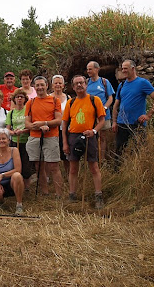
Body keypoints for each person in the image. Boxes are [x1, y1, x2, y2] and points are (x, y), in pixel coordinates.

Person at [62, 75, 106, 209]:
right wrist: (65, 142)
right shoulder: (71, 102)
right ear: (73, 87)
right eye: (76, 84)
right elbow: (64, 124)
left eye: (81, 83)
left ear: (86, 85)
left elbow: (102, 120)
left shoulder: (95, 100)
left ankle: (98, 196)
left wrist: (94, 131)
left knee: (93, 166)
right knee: (73, 167)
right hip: (73, 137)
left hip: (89, 136)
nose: (79, 85)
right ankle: (72, 195)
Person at [112, 60, 154, 158]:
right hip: (122, 123)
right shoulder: (121, 85)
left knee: (140, 150)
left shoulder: (142, 83)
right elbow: (115, 105)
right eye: (122, 68)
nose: (123, 70)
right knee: (119, 151)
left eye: (125, 68)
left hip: (137, 123)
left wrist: (148, 115)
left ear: (133, 68)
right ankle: (117, 172)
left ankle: (140, 171)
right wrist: (114, 121)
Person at [25, 76, 63, 197]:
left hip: (51, 136)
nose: (40, 87)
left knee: (53, 166)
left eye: (42, 85)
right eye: (37, 85)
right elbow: (27, 123)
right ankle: (45, 193)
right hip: (35, 137)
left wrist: (45, 124)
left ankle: (59, 194)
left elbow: (58, 121)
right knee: (39, 166)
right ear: (34, 87)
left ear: (47, 86)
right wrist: (37, 127)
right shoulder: (31, 102)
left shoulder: (54, 100)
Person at [0, 129, 25, 215]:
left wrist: (2, 175)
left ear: (9, 140)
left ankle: (19, 204)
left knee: (17, 175)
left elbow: (18, 169)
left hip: (11, 182)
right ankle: (0, 201)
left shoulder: (14, 150)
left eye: (4, 138)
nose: (1, 141)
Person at [86, 61, 115, 162]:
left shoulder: (104, 82)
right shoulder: (86, 82)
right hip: (90, 116)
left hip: (104, 116)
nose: (88, 71)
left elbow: (111, 98)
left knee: (103, 137)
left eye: (90, 69)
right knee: (91, 137)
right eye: (87, 69)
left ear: (97, 69)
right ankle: (92, 158)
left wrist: (104, 108)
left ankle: (101, 159)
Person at [6, 89, 32, 190]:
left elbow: (31, 126)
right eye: (17, 97)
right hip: (14, 141)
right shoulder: (11, 113)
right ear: (14, 99)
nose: (19, 98)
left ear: (25, 99)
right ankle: (16, 185)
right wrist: (13, 133)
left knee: (26, 165)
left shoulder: (28, 110)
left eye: (22, 97)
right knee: (15, 164)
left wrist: (23, 131)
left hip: (26, 141)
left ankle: (26, 187)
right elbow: (8, 129)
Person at [50, 75, 72, 174]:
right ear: (52, 85)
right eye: (56, 83)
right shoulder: (48, 98)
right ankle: (52, 177)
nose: (58, 85)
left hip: (66, 129)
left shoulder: (68, 98)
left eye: (60, 83)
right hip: (52, 130)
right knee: (53, 155)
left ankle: (68, 177)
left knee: (66, 155)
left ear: (63, 85)